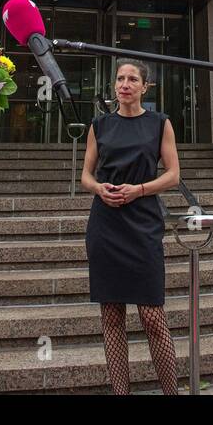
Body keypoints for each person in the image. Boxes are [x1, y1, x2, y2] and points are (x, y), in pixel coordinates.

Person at [80, 61, 182, 394]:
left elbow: (172, 174)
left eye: (132, 79)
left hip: (143, 222)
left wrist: (138, 190)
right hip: (106, 224)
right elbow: (86, 175)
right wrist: (99, 189)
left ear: (144, 87)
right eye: (120, 79)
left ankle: (172, 392)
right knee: (111, 316)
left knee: (153, 316)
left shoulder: (159, 123)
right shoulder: (100, 125)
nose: (125, 84)